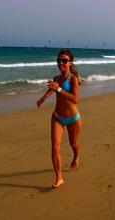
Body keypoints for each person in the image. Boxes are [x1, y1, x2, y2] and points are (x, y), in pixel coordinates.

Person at [37, 49, 82, 188]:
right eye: (59, 60)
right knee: (55, 147)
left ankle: (76, 157)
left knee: (73, 144)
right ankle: (59, 178)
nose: (61, 63)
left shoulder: (73, 78)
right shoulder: (56, 78)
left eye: (64, 60)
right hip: (57, 116)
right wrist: (43, 98)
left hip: (73, 118)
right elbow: (53, 89)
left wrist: (59, 89)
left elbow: (75, 99)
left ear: (70, 62)